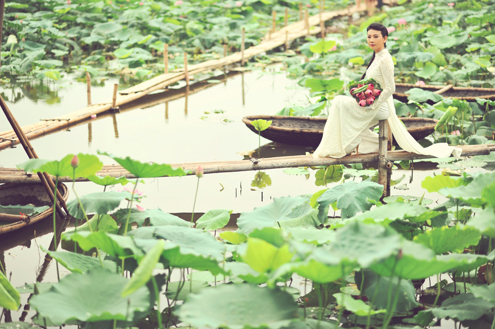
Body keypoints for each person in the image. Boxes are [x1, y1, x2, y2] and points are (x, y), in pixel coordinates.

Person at [313, 22, 461, 159]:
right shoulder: (377, 57)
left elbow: (391, 88)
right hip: (374, 105)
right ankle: (360, 145)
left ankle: (339, 147)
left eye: (376, 36)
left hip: (380, 107)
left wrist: (373, 105)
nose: (371, 40)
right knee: (341, 108)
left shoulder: (385, 59)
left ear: (384, 38)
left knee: (339, 102)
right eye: (369, 36)